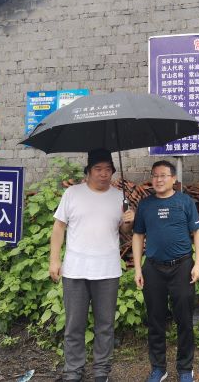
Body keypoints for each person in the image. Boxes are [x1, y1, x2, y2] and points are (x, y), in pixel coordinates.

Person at [49, 148, 134, 382]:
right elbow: (59, 227)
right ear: (88, 171)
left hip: (107, 271)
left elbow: (125, 232)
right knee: (74, 325)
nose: (103, 174)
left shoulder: (119, 197)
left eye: (108, 169)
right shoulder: (72, 194)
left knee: (105, 325)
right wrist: (54, 259)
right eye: (98, 169)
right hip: (75, 270)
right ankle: (73, 371)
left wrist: (129, 221)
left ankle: (101, 372)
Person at [132, 160, 199, 382]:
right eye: (155, 175)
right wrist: (138, 268)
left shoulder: (185, 202)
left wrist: (198, 264)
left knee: (184, 319)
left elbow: (198, 233)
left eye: (163, 175)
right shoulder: (145, 205)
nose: (158, 179)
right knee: (155, 320)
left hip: (182, 267)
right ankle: (158, 368)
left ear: (173, 179)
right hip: (153, 268)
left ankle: (185, 368)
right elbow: (138, 236)